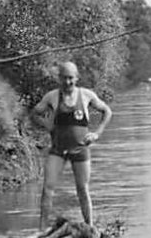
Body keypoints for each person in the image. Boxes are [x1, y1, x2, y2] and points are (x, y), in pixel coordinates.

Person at [30, 61, 113, 229]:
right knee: (47, 189)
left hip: (81, 149)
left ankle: (90, 228)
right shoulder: (52, 96)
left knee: (82, 189)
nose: (67, 82)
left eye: (70, 78)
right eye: (64, 78)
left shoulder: (86, 95)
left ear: (76, 78)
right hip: (58, 149)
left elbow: (107, 111)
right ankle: (41, 230)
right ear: (59, 78)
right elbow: (35, 113)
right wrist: (47, 125)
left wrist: (97, 133)